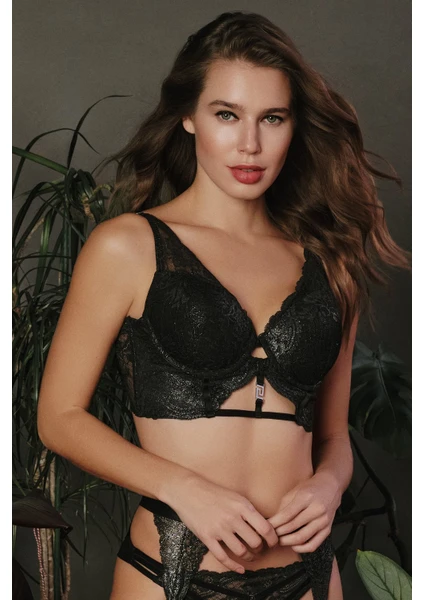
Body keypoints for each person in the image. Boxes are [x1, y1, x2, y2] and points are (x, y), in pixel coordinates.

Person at [36, 10, 411, 600]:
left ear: (294, 125)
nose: (250, 144)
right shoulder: (129, 246)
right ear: (188, 116)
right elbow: (59, 417)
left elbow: (334, 439)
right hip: (171, 574)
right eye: (227, 115)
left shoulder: (329, 263)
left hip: (309, 576)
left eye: (273, 118)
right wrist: (182, 488)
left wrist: (328, 487)